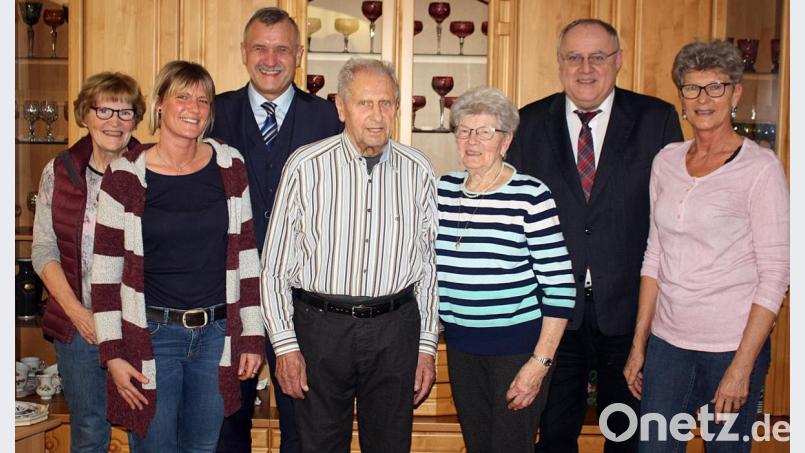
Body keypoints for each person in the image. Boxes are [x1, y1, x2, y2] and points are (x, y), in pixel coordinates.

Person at [506, 18, 683, 452]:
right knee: (554, 436)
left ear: (618, 61)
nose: (586, 68)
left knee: (624, 435)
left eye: (598, 56)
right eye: (574, 57)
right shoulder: (528, 123)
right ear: (560, 63)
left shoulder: (656, 120)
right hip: (554, 316)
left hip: (629, 313)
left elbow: (674, 220)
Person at [260, 57, 439, 453]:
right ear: (340, 107)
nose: (377, 116)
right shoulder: (305, 167)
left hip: (396, 330)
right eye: (364, 103)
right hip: (320, 330)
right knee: (319, 446)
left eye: (386, 103)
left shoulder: (419, 169)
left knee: (391, 445)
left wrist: (426, 346)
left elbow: (428, 268)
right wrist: (286, 346)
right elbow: (273, 268)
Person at [623, 40, 789, 452]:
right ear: (680, 96)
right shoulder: (666, 160)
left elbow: (775, 274)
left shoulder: (760, 168)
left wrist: (742, 367)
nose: (703, 99)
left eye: (715, 87)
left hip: (730, 347)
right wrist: (639, 344)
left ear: (736, 93)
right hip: (668, 345)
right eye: (692, 88)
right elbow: (654, 256)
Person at [91, 60, 264, 453]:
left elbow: (248, 258)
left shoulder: (230, 165)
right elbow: (104, 277)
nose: (193, 107)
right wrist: (113, 355)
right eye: (182, 96)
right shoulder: (124, 177)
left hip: (215, 339)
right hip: (151, 340)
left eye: (203, 100)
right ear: (158, 105)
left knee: (203, 448)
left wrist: (251, 337)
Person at [209, 8, 342, 453]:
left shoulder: (328, 119)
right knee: (226, 427)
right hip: (226, 298)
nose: (271, 58)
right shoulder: (211, 114)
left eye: (282, 48)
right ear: (244, 53)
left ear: (299, 55)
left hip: (305, 300)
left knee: (304, 430)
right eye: (261, 48)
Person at [435, 86, 575, 453]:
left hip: (518, 350)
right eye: (463, 130)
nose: (472, 141)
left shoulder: (531, 196)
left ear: (506, 140)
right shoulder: (441, 191)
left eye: (484, 132)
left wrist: (539, 364)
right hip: (462, 349)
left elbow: (560, 290)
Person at [31, 71, 145, 453]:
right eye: (104, 110)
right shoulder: (60, 171)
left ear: (137, 119)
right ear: (85, 115)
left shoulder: (152, 171)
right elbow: (43, 250)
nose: (114, 122)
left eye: (125, 113)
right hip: (79, 328)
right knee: (89, 430)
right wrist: (78, 313)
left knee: (142, 428)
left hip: (138, 327)